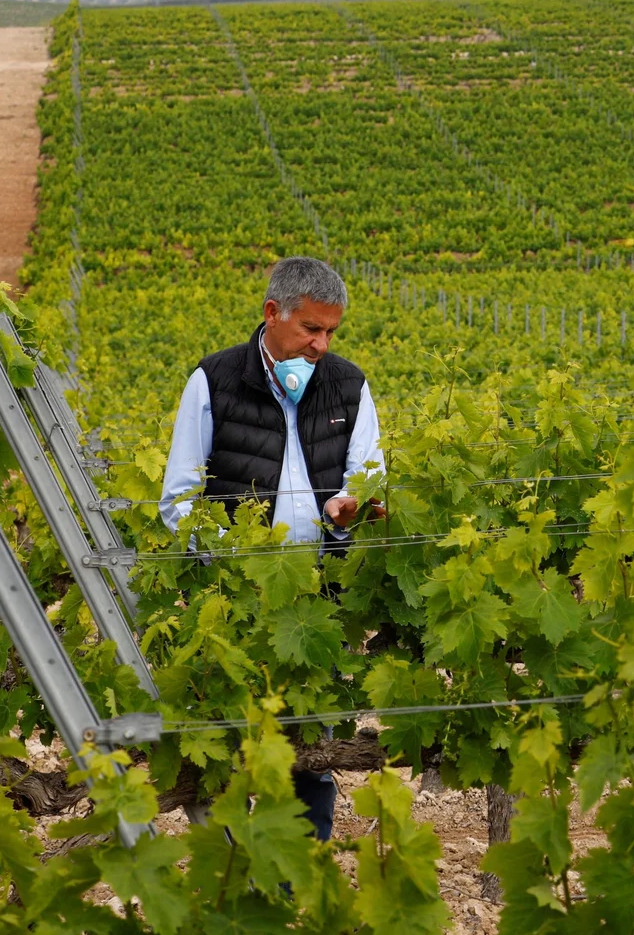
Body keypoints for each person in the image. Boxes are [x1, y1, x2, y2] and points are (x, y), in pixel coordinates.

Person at [159, 255, 383, 841]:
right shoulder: (214, 381)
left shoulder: (350, 385)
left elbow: (369, 479)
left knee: (312, 746)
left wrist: (348, 512)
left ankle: (300, 876)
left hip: (320, 600)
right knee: (236, 740)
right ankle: (238, 867)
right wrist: (229, 561)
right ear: (271, 314)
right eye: (311, 329)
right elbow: (177, 501)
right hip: (236, 602)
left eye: (331, 332)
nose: (321, 344)